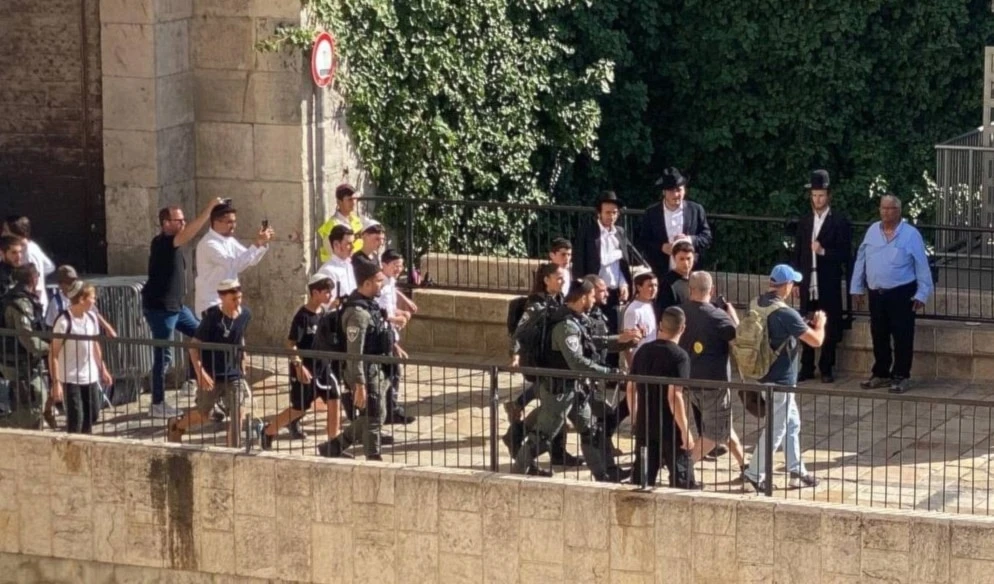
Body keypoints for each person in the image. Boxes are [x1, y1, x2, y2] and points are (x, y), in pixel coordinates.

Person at [512, 279, 639, 481]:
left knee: (591, 430)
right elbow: (577, 362)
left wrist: (620, 341)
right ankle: (518, 471)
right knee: (542, 436)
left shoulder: (576, 319)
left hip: (573, 388)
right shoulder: (566, 326)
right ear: (582, 298)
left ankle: (603, 475)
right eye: (591, 296)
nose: (594, 299)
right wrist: (610, 372)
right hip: (558, 391)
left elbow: (591, 342)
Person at [741, 265, 826, 492]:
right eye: (793, 283)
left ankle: (797, 471)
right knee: (775, 429)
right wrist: (821, 324)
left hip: (762, 374)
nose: (793, 287)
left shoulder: (757, 302)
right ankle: (753, 474)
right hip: (781, 381)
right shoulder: (785, 313)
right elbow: (816, 341)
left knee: (792, 423)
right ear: (786, 285)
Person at [143, 198, 225, 418]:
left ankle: (193, 380)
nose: (182, 223)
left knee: (202, 336)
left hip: (177, 307)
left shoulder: (175, 243)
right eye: (178, 220)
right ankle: (157, 403)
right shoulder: (163, 242)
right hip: (160, 309)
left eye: (183, 220)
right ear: (165, 223)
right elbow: (189, 233)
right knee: (164, 355)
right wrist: (209, 209)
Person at [850, 194, 933, 394]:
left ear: (898, 211)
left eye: (890, 208)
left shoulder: (910, 234)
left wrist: (922, 293)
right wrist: (856, 287)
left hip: (901, 292)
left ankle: (901, 375)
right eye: (883, 208)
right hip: (876, 292)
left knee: (902, 335)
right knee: (879, 334)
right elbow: (861, 258)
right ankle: (881, 373)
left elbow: (921, 265)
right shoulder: (872, 231)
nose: (886, 212)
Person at [503, 263, 582, 467]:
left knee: (553, 408)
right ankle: (523, 441)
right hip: (540, 362)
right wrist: (515, 356)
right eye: (559, 278)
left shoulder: (558, 300)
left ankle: (551, 449)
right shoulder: (535, 304)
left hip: (553, 361)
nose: (563, 281)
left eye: (563, 278)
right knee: (554, 408)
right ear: (546, 280)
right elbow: (521, 331)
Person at [319, 262, 397, 460]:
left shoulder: (370, 306)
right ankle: (373, 457)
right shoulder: (357, 314)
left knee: (377, 414)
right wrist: (359, 383)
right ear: (367, 283)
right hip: (365, 370)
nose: (382, 284)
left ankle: (334, 447)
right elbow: (355, 352)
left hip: (378, 367)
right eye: (379, 281)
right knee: (373, 415)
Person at [260, 275, 344, 451]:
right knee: (299, 408)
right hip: (305, 368)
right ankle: (269, 430)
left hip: (323, 367)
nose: (329, 295)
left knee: (335, 399)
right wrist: (298, 365)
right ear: (315, 293)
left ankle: (333, 443)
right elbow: (290, 343)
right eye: (326, 292)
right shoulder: (302, 316)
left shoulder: (324, 314)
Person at [168, 279, 252, 445]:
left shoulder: (245, 315)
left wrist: (243, 356)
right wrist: (201, 373)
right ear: (222, 297)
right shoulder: (212, 318)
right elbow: (193, 347)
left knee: (238, 413)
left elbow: (240, 335)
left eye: (239, 298)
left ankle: (233, 451)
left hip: (233, 373)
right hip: (211, 372)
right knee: (203, 414)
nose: (237, 303)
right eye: (233, 299)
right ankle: (177, 425)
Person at [678, 271, 746, 470]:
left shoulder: (679, 312)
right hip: (714, 384)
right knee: (713, 435)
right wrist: (733, 316)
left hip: (690, 381)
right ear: (712, 290)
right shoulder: (718, 316)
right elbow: (739, 343)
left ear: (690, 289)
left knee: (723, 426)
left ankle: (745, 466)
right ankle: (682, 469)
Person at [627, 306, 697, 489]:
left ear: (660, 325)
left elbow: (630, 388)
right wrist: (685, 429)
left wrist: (635, 417)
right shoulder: (680, 357)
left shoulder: (642, 352)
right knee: (682, 481)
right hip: (670, 427)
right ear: (682, 328)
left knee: (641, 480)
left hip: (645, 423)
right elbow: (674, 395)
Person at [792, 170, 852, 383]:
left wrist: (823, 251)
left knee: (829, 323)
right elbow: (798, 252)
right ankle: (806, 366)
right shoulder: (805, 221)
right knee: (806, 322)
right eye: (815, 195)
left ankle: (826, 367)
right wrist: (797, 280)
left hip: (828, 281)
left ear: (828, 196)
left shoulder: (839, 221)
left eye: (821, 195)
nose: (818, 200)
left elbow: (845, 253)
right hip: (809, 281)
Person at [572, 191, 633, 354]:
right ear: (599, 213)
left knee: (613, 335)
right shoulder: (588, 232)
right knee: (591, 335)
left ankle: (611, 376)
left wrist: (624, 283)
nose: (611, 216)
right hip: (592, 294)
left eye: (614, 213)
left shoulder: (619, 232)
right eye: (607, 212)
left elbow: (622, 265)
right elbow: (586, 262)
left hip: (612, 294)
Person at [49, 282, 113, 435]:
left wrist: (102, 368)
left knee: (93, 414)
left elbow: (94, 344)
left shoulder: (91, 317)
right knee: (76, 420)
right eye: (92, 297)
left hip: (90, 375)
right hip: (71, 377)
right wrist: (56, 383)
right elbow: (53, 353)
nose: (95, 301)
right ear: (82, 299)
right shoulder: (64, 322)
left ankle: (85, 444)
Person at [194, 203, 274, 316]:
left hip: (229, 303)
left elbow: (250, 260)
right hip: (211, 303)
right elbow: (235, 265)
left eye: (234, 222)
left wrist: (262, 244)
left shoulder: (229, 240)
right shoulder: (209, 244)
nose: (234, 225)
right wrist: (257, 244)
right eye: (229, 222)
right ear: (216, 223)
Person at [0, 264, 52, 429]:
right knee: (31, 409)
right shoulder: (20, 303)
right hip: (19, 363)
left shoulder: (25, 298)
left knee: (37, 401)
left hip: (27, 362)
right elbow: (27, 337)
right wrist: (50, 349)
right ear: (33, 278)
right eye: (36, 275)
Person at [638, 167, 712, 279]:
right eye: (671, 191)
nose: (676, 194)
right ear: (664, 192)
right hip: (662, 272)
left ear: (685, 190)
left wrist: (689, 240)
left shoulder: (696, 210)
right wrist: (662, 247)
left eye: (679, 190)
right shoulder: (651, 213)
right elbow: (643, 241)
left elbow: (707, 237)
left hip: (691, 273)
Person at [378, 249, 415, 425]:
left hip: (391, 332)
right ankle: (388, 410)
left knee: (394, 373)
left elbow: (390, 308)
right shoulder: (380, 285)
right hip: (383, 334)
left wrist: (402, 313)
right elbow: (379, 313)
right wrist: (396, 318)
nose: (398, 269)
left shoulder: (391, 282)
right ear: (384, 264)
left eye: (400, 266)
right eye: (394, 265)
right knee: (391, 373)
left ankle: (391, 408)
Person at [45, 265, 117, 338]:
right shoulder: (56, 303)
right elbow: (51, 326)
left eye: (73, 281)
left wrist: (108, 328)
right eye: (68, 282)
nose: (72, 284)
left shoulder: (82, 295)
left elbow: (95, 312)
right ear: (60, 285)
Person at [3, 216, 55, 314]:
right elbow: (48, 266)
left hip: (32, 310)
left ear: (17, 233)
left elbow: (36, 285)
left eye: (6, 230)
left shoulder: (30, 253)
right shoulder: (30, 247)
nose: (3, 234)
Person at [316, 183, 364, 262]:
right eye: (349, 200)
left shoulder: (356, 220)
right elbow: (333, 254)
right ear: (339, 202)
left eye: (354, 199)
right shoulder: (331, 226)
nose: (353, 203)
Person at [622, 271, 658, 368]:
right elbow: (627, 344)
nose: (654, 289)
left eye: (655, 285)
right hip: (639, 361)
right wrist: (632, 367)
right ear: (639, 287)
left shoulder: (651, 306)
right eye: (650, 285)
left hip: (652, 359)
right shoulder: (633, 310)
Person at [316, 225, 358, 305]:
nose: (353, 247)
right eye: (349, 243)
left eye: (353, 243)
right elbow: (325, 304)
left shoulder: (349, 265)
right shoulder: (327, 271)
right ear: (336, 245)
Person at [655, 240, 695, 315]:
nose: (685, 263)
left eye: (688, 258)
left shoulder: (696, 279)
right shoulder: (667, 283)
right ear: (674, 258)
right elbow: (662, 312)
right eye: (681, 259)